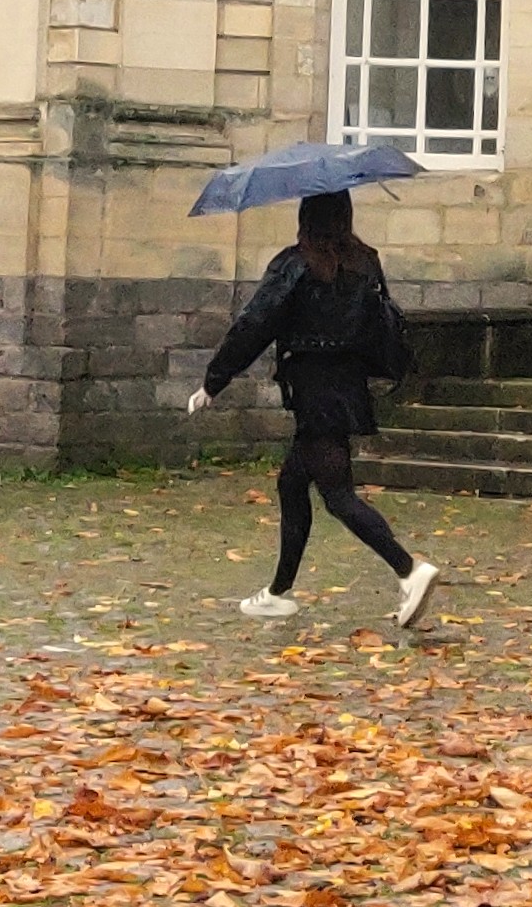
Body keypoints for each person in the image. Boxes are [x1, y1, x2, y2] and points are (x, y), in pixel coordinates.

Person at [187, 189, 443, 629]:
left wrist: (214, 381)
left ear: (306, 216)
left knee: (338, 495)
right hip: (346, 385)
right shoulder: (365, 262)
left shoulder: (296, 266)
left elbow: (254, 325)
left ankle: (409, 570)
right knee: (292, 484)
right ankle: (278, 592)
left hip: (315, 391)